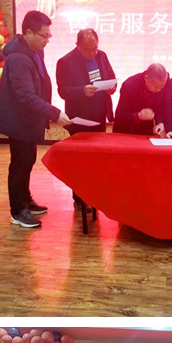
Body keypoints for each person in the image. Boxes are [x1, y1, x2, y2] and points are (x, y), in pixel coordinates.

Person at [0, 10, 71, 229]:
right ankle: (18, 211)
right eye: (44, 35)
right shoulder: (18, 58)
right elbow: (25, 96)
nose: (47, 40)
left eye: (49, 35)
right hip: (18, 121)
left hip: (29, 119)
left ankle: (25, 199)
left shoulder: (35, 51)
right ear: (28, 32)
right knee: (19, 165)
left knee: (27, 161)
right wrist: (54, 113)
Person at [55, 28, 117, 210]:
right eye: (87, 49)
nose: (92, 53)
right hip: (79, 118)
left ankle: (94, 195)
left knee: (97, 159)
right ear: (77, 45)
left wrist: (112, 87)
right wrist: (82, 90)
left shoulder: (102, 56)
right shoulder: (65, 62)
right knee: (80, 160)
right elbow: (63, 91)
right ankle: (80, 199)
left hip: (99, 115)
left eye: (94, 48)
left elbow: (111, 76)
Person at [113, 63, 172, 139]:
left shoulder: (164, 81)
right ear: (146, 78)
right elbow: (120, 115)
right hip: (125, 131)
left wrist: (170, 130)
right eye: (156, 87)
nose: (159, 90)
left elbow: (167, 104)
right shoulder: (129, 85)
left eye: (162, 87)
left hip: (145, 130)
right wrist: (138, 116)